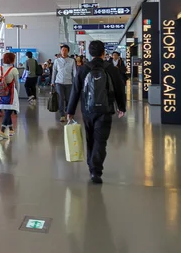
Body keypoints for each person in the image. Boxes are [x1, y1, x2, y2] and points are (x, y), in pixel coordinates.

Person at [67, 40, 126, 184]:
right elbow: (119, 89)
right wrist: (121, 107)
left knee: (90, 138)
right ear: (103, 52)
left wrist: (70, 111)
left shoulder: (83, 69)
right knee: (101, 140)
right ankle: (96, 170)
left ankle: (91, 165)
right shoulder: (111, 69)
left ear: (89, 52)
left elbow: (75, 91)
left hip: (88, 110)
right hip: (105, 110)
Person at [0, 52, 19, 141]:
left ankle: (11, 129)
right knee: (9, 111)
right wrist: (18, 93)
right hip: (11, 93)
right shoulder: (14, 70)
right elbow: (17, 83)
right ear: (12, 59)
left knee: (7, 111)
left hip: (1, 94)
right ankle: (2, 131)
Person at [51, 44, 76, 122]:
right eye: (62, 50)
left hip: (69, 82)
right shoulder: (57, 61)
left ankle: (68, 112)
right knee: (61, 98)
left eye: (65, 50)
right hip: (59, 82)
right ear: (60, 51)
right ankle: (62, 115)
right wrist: (52, 82)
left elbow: (75, 72)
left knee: (69, 99)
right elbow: (54, 71)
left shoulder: (72, 61)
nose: (64, 52)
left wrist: (76, 82)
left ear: (68, 51)